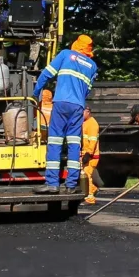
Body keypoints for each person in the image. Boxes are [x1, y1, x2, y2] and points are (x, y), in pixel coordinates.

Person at [33, 35, 99, 195]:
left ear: (76, 45)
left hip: (61, 103)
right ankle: (71, 185)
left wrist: (36, 93)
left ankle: (52, 184)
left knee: (55, 142)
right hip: (78, 107)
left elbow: (46, 75)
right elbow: (88, 89)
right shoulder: (92, 65)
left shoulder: (65, 55)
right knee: (74, 144)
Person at [79, 106, 101, 205]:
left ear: (88, 112)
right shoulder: (84, 123)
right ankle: (93, 189)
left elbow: (92, 141)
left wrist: (88, 154)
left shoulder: (92, 124)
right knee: (85, 175)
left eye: (82, 112)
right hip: (85, 154)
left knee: (87, 175)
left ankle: (90, 198)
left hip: (91, 156)